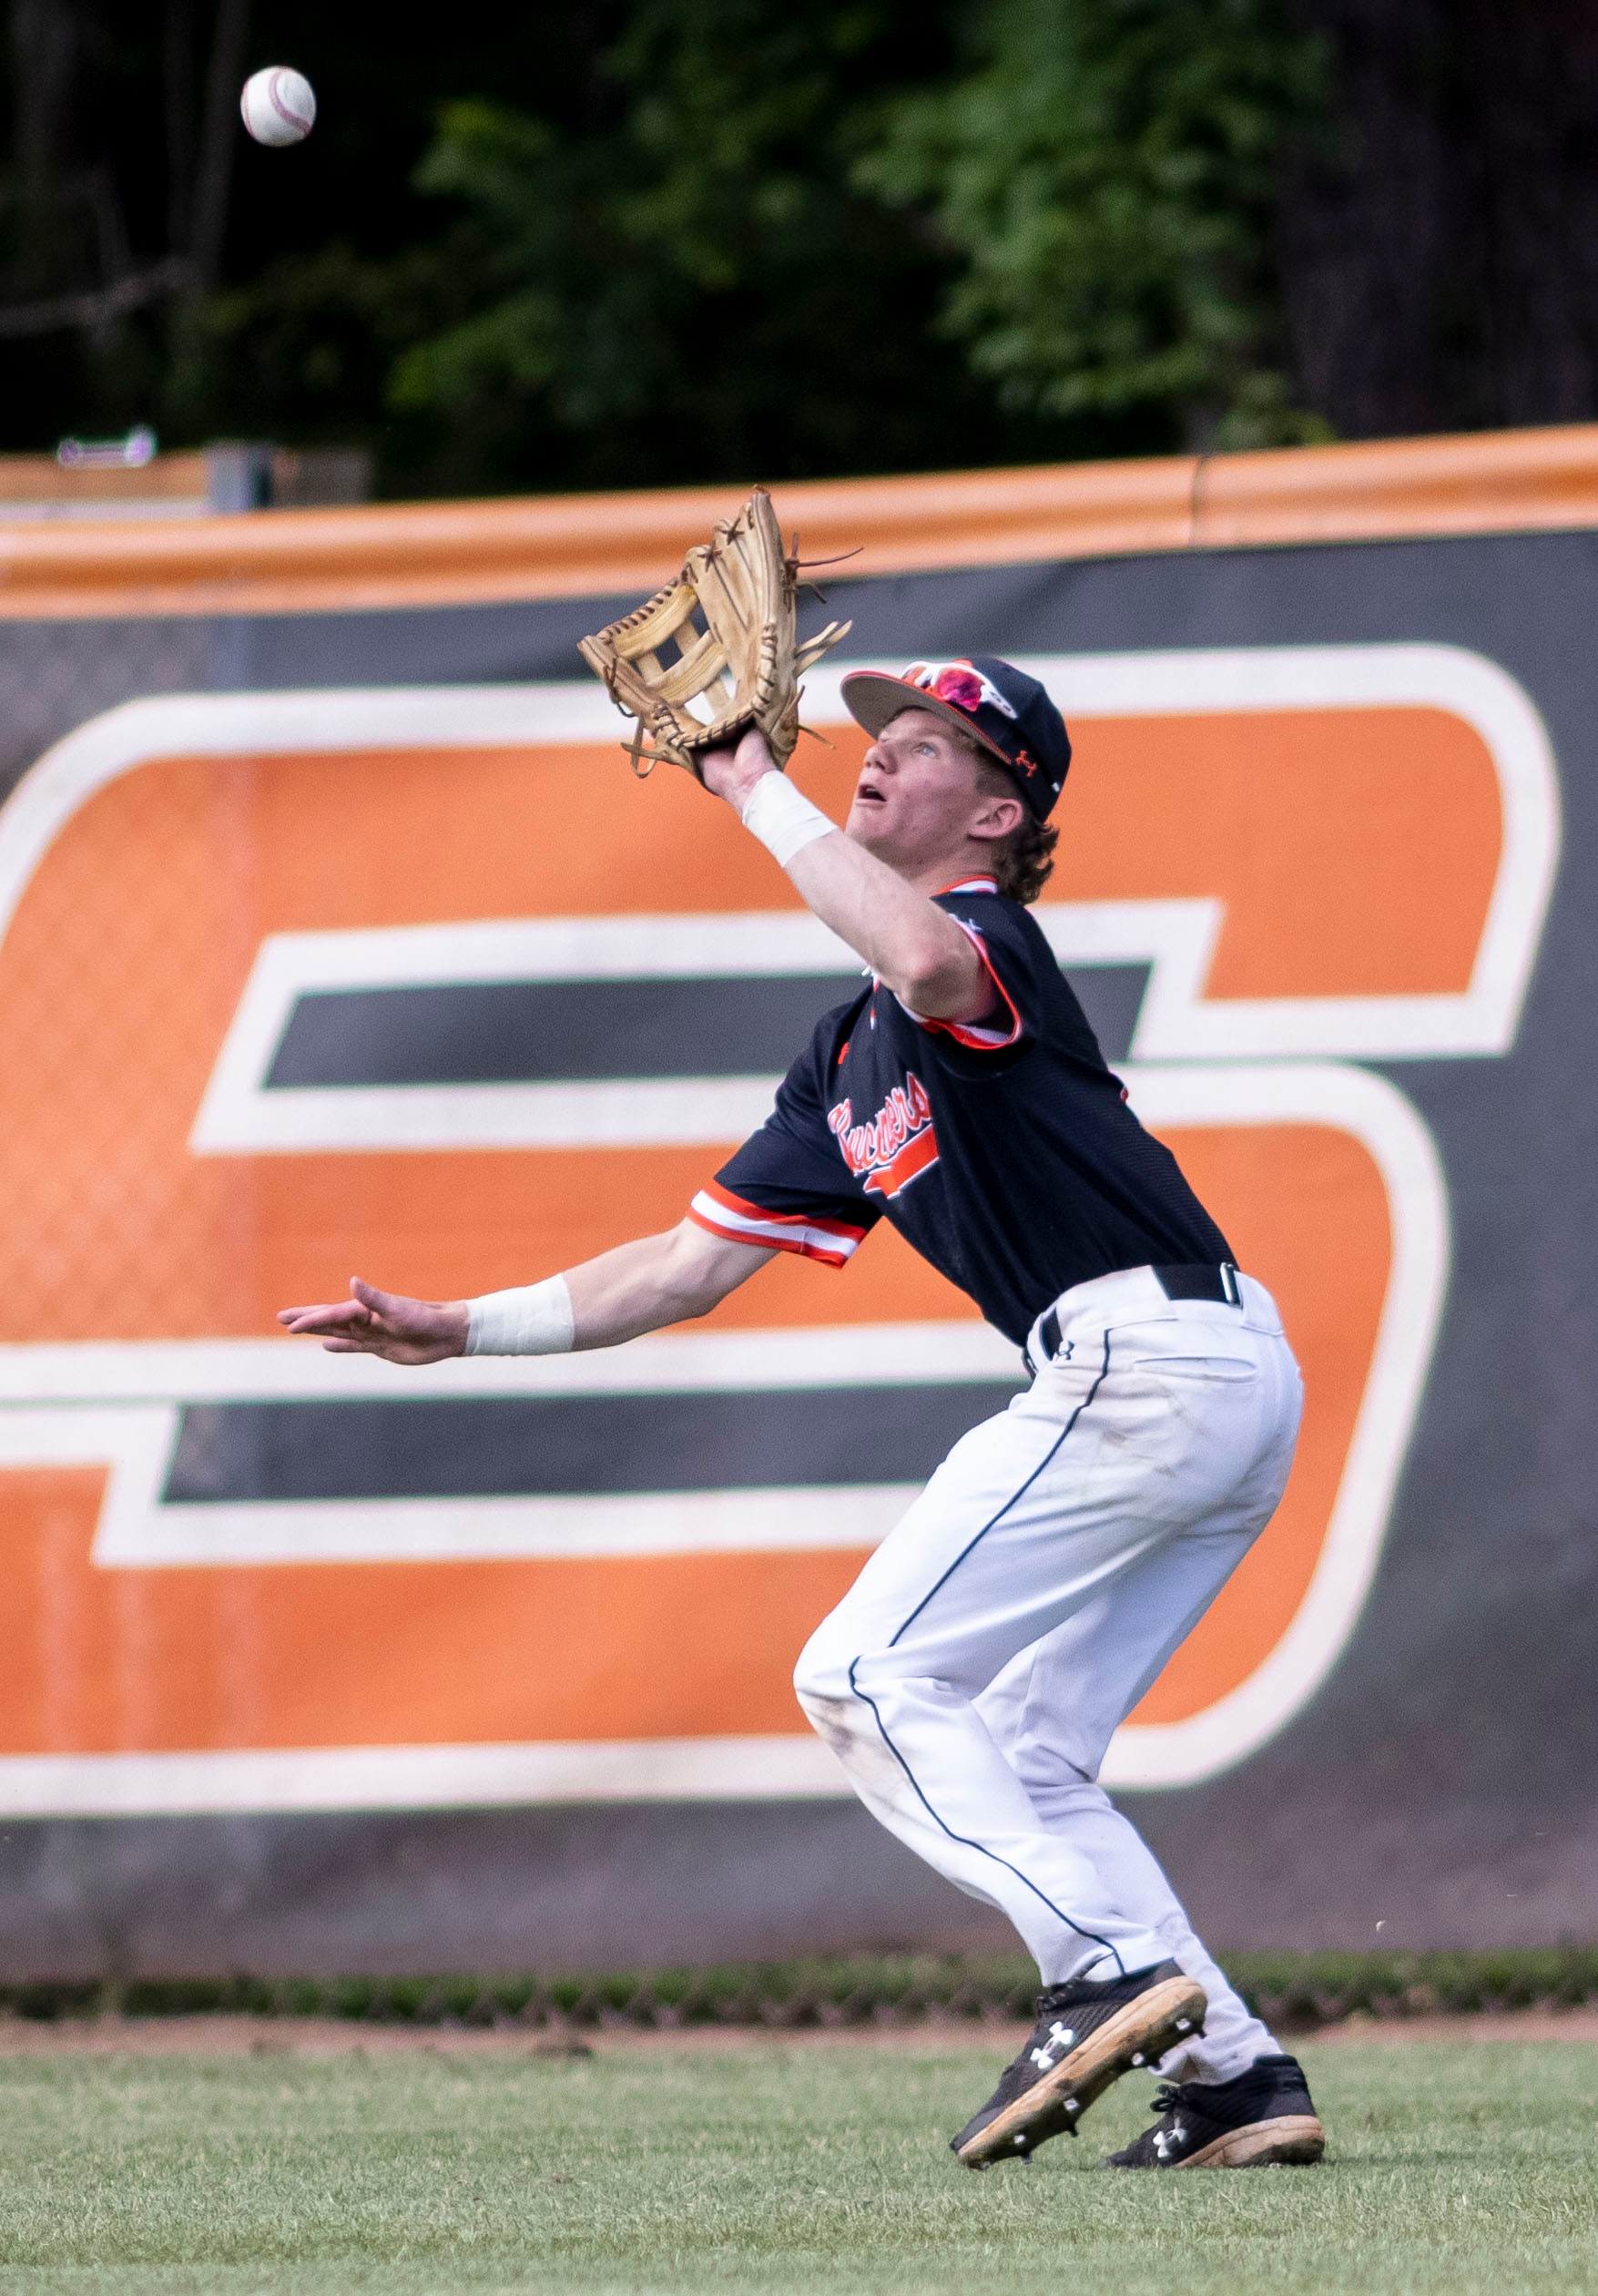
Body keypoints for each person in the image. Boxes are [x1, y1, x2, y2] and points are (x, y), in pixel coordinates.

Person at [280, 656, 1326, 2173]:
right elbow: (686, 1264)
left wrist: (745, 784)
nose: (881, 758)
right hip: (1206, 1379)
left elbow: (931, 965)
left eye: (926, 746)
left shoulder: (982, 936)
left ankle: (1102, 1968)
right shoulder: (844, 1061)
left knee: (859, 1672)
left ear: (1000, 807)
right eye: (877, 738)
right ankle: (1234, 2073)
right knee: (1025, 1752)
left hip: (1144, 1359)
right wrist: (461, 1329)